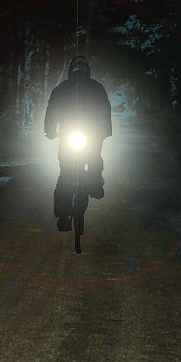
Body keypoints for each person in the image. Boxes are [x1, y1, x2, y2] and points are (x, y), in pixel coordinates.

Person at [44, 56, 112, 231]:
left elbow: (105, 109)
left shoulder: (97, 89)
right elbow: (51, 111)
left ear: (88, 72)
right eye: (76, 72)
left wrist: (106, 129)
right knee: (66, 175)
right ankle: (62, 215)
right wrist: (50, 130)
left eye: (83, 72)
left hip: (92, 134)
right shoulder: (61, 90)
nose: (79, 76)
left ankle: (95, 183)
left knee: (95, 160)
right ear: (71, 73)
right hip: (68, 135)